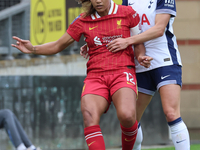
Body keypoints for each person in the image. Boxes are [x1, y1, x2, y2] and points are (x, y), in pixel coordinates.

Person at [11, 0, 152, 149]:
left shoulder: (127, 13)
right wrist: (33, 49)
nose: (98, 0)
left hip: (122, 71)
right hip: (96, 76)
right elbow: (58, 45)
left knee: (128, 116)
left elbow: (138, 43)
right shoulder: (82, 20)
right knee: (89, 116)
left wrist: (141, 56)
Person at [105, 0, 190, 150]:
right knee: (130, 120)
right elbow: (123, 26)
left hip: (165, 61)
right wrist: (92, 43)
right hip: (138, 62)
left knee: (171, 113)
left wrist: (128, 41)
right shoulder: (127, 1)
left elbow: (159, 29)